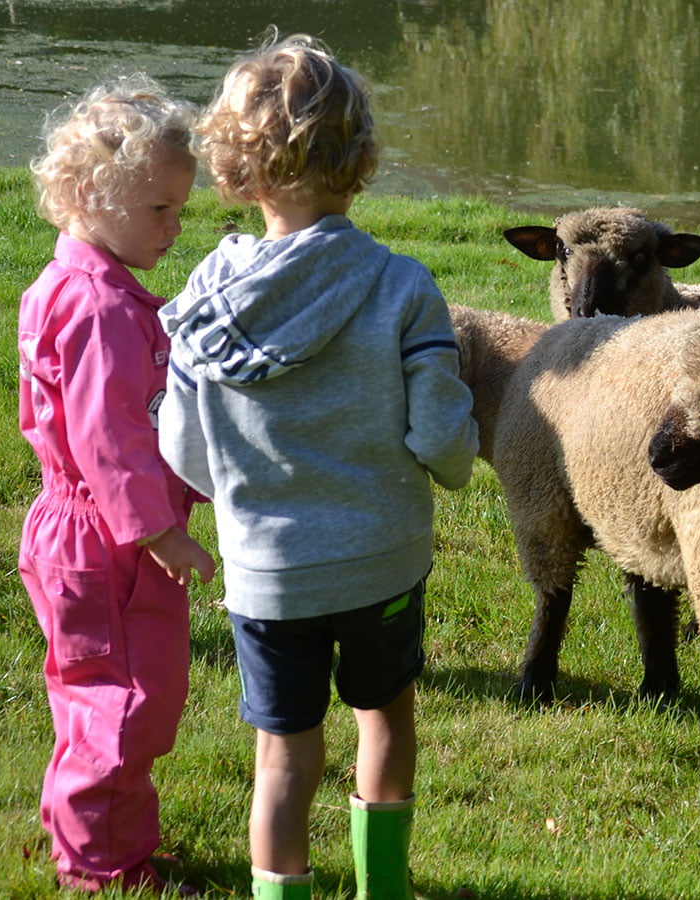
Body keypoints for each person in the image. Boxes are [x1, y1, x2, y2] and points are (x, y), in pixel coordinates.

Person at [158, 33, 479, 900]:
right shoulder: (402, 287)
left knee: (284, 753)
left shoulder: (204, 302)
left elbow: (182, 450)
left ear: (237, 172)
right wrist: (456, 460)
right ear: (361, 157)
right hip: (380, 560)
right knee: (384, 715)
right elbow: (443, 439)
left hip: (266, 576)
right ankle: (384, 891)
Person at [18, 74, 215, 895]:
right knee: (127, 698)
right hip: (109, 538)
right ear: (88, 196)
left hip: (72, 527)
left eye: (179, 208)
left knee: (91, 684)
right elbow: (111, 438)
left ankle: (85, 831)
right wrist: (161, 530)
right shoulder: (101, 309)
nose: (174, 228)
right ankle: (102, 865)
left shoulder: (68, 282)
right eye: (158, 211)